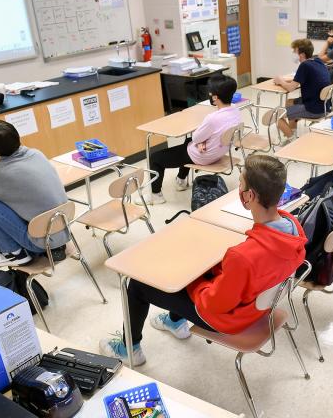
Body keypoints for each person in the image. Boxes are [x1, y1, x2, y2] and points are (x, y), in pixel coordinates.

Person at [100, 155, 307, 365]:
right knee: (197, 266)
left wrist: (193, 279)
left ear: (250, 196)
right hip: (257, 307)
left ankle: (129, 349)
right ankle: (174, 321)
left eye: (241, 185)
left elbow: (213, 304)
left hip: (228, 319)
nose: (239, 189)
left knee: (136, 285)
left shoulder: (243, 257)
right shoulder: (294, 228)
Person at [0, 121, 68, 267]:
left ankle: (14, 253)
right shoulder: (37, 154)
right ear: (18, 137)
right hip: (62, 232)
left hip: (41, 240)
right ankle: (37, 250)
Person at [148, 74, 240, 204]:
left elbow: (197, 136)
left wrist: (199, 141)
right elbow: (201, 137)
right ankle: (181, 180)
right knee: (187, 141)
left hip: (203, 156)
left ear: (215, 97)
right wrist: (199, 141)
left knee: (155, 158)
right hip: (218, 152)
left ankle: (156, 195)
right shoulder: (235, 110)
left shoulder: (213, 118)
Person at [274, 38, 331, 139]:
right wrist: (286, 81)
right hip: (325, 106)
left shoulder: (304, 65)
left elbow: (291, 88)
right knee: (289, 102)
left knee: (276, 115)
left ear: (302, 55)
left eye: (294, 51)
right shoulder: (317, 61)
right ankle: (292, 131)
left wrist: (280, 81)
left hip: (314, 109)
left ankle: (292, 140)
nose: (293, 53)